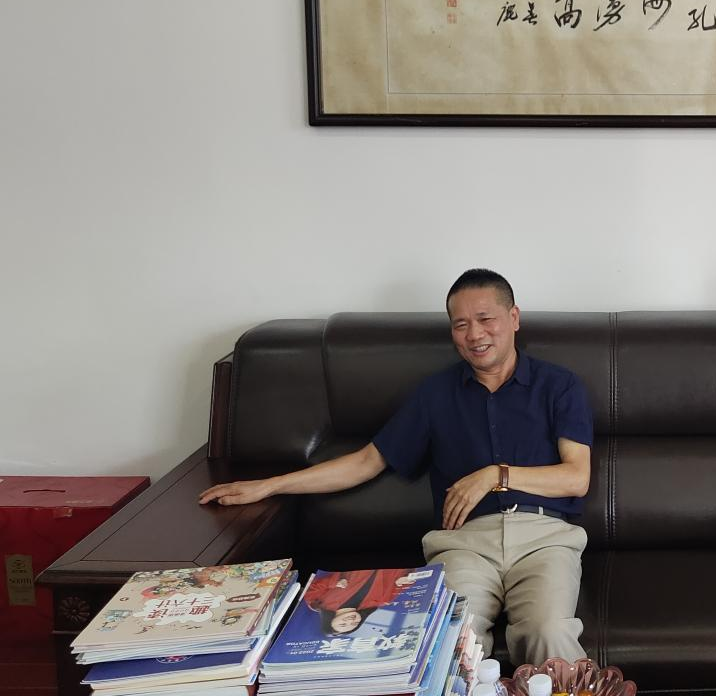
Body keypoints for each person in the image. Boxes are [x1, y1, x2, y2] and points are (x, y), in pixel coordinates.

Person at [198, 269, 593, 665]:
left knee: (549, 632)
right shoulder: (435, 394)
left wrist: (495, 475)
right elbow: (366, 462)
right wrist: (269, 485)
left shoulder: (558, 385)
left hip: (543, 537)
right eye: (461, 324)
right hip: (466, 543)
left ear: (514, 318)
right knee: (449, 639)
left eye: (485, 318)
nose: (475, 334)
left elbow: (576, 477)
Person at [304, 568, 421, 636]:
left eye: (342, 624)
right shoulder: (382, 600)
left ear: (329, 621)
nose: (350, 621)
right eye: (354, 624)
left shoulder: (317, 603)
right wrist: (402, 580)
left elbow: (311, 587)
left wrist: (334, 583)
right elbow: (400, 580)